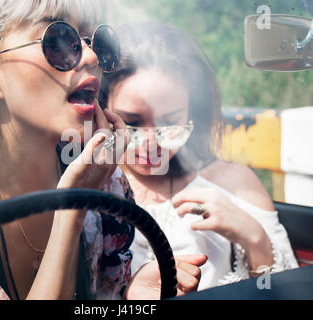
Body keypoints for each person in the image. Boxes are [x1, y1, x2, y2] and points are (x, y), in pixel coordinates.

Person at [0, 1, 206, 300]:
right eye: (58, 40)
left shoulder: (103, 180)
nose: (92, 56)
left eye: (95, 42)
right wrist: (73, 207)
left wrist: (128, 297)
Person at [100, 22, 299, 291]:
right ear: (104, 108)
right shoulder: (92, 187)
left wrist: (254, 237)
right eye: (131, 122)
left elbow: (290, 291)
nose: (150, 143)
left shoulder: (232, 182)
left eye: (169, 123)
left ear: (191, 113)